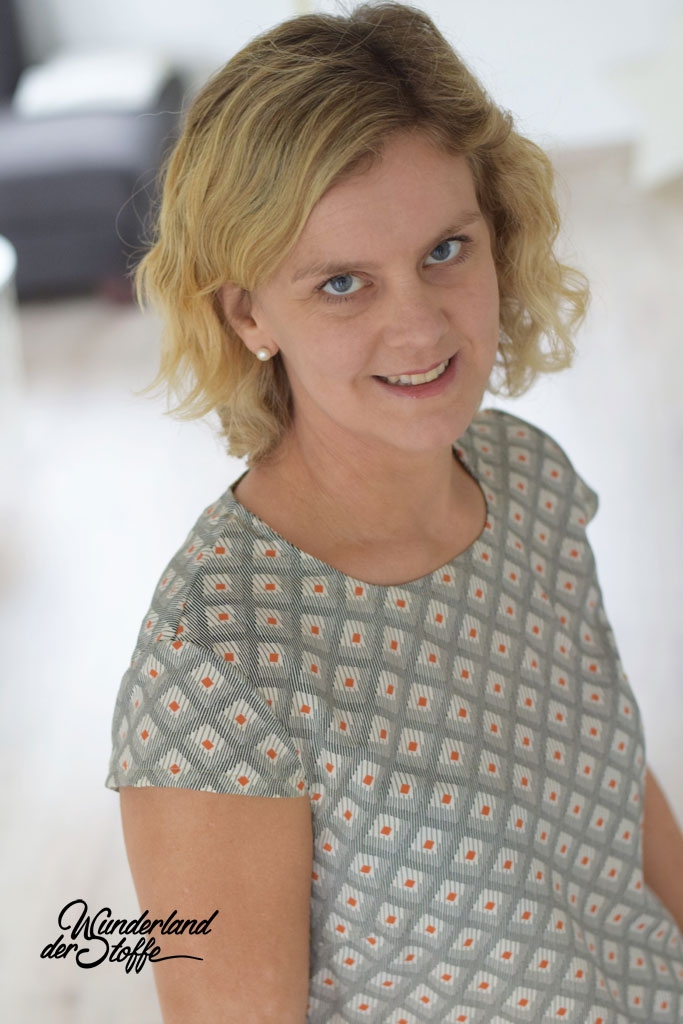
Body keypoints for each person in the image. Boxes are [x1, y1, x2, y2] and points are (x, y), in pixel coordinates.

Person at [105, 3, 683, 1021]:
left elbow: (615, 792)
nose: (418, 326)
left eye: (445, 249)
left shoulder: (524, 478)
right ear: (248, 312)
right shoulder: (216, 669)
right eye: (341, 283)